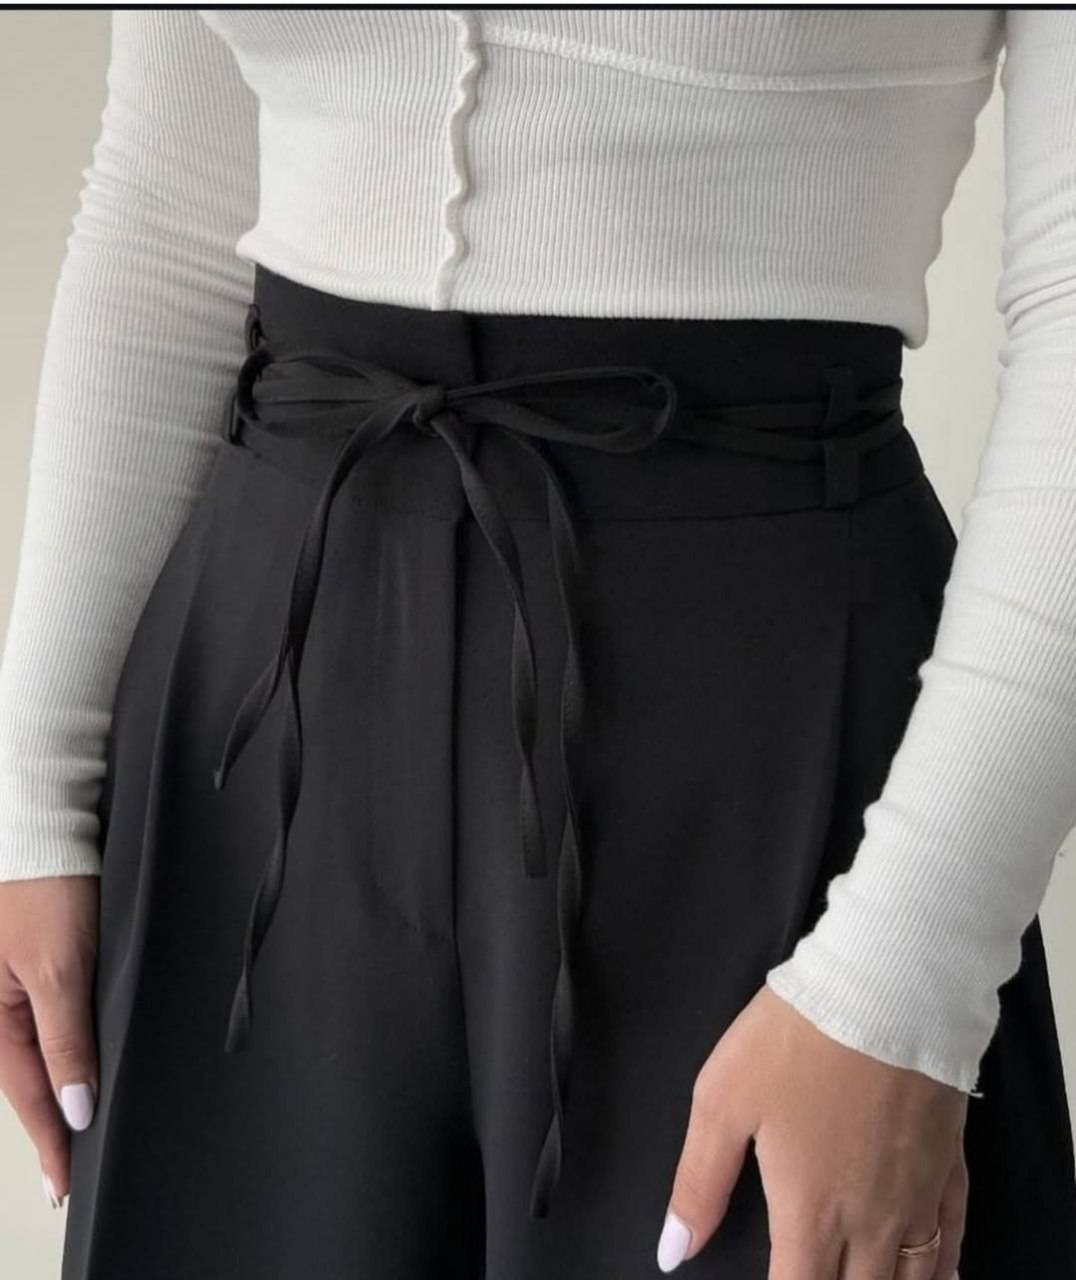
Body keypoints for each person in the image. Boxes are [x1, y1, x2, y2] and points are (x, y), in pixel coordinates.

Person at [0, 9, 1074, 1278]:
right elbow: (169, 202)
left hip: (763, 730)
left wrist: (902, 976)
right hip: (260, 722)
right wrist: (36, 792)